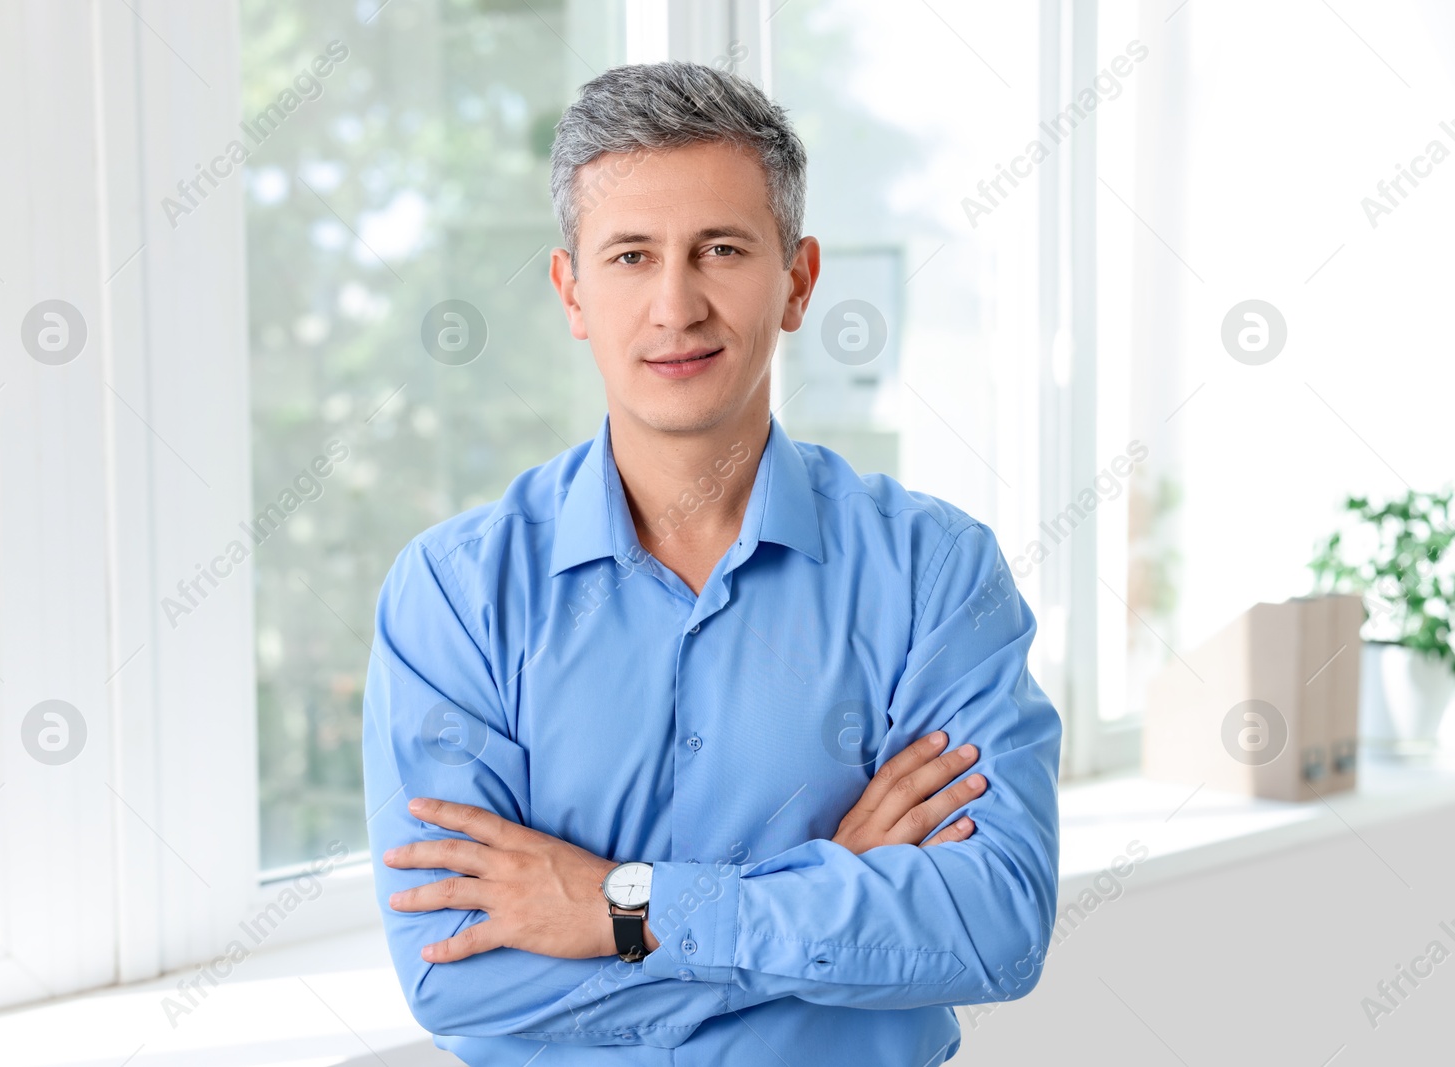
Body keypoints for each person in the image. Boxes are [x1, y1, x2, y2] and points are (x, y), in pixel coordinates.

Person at [363, 60, 1062, 1066]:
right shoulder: (455, 597)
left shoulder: (934, 573)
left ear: (798, 280)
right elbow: (459, 977)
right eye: (632, 256)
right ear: (571, 290)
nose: (676, 304)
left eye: (721, 249)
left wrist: (619, 905)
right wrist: (831, 902)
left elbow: (993, 925)